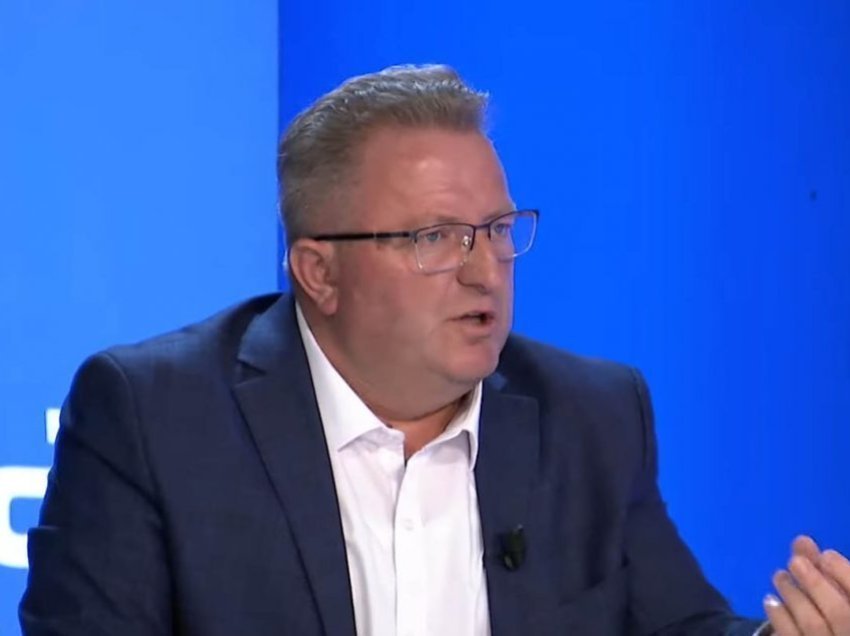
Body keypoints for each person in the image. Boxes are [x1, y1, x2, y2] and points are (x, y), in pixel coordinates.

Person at [19, 64, 850, 636]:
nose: (486, 270)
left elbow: (675, 625)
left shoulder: (591, 415)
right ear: (319, 272)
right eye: (436, 237)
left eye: (497, 230)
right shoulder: (157, 418)